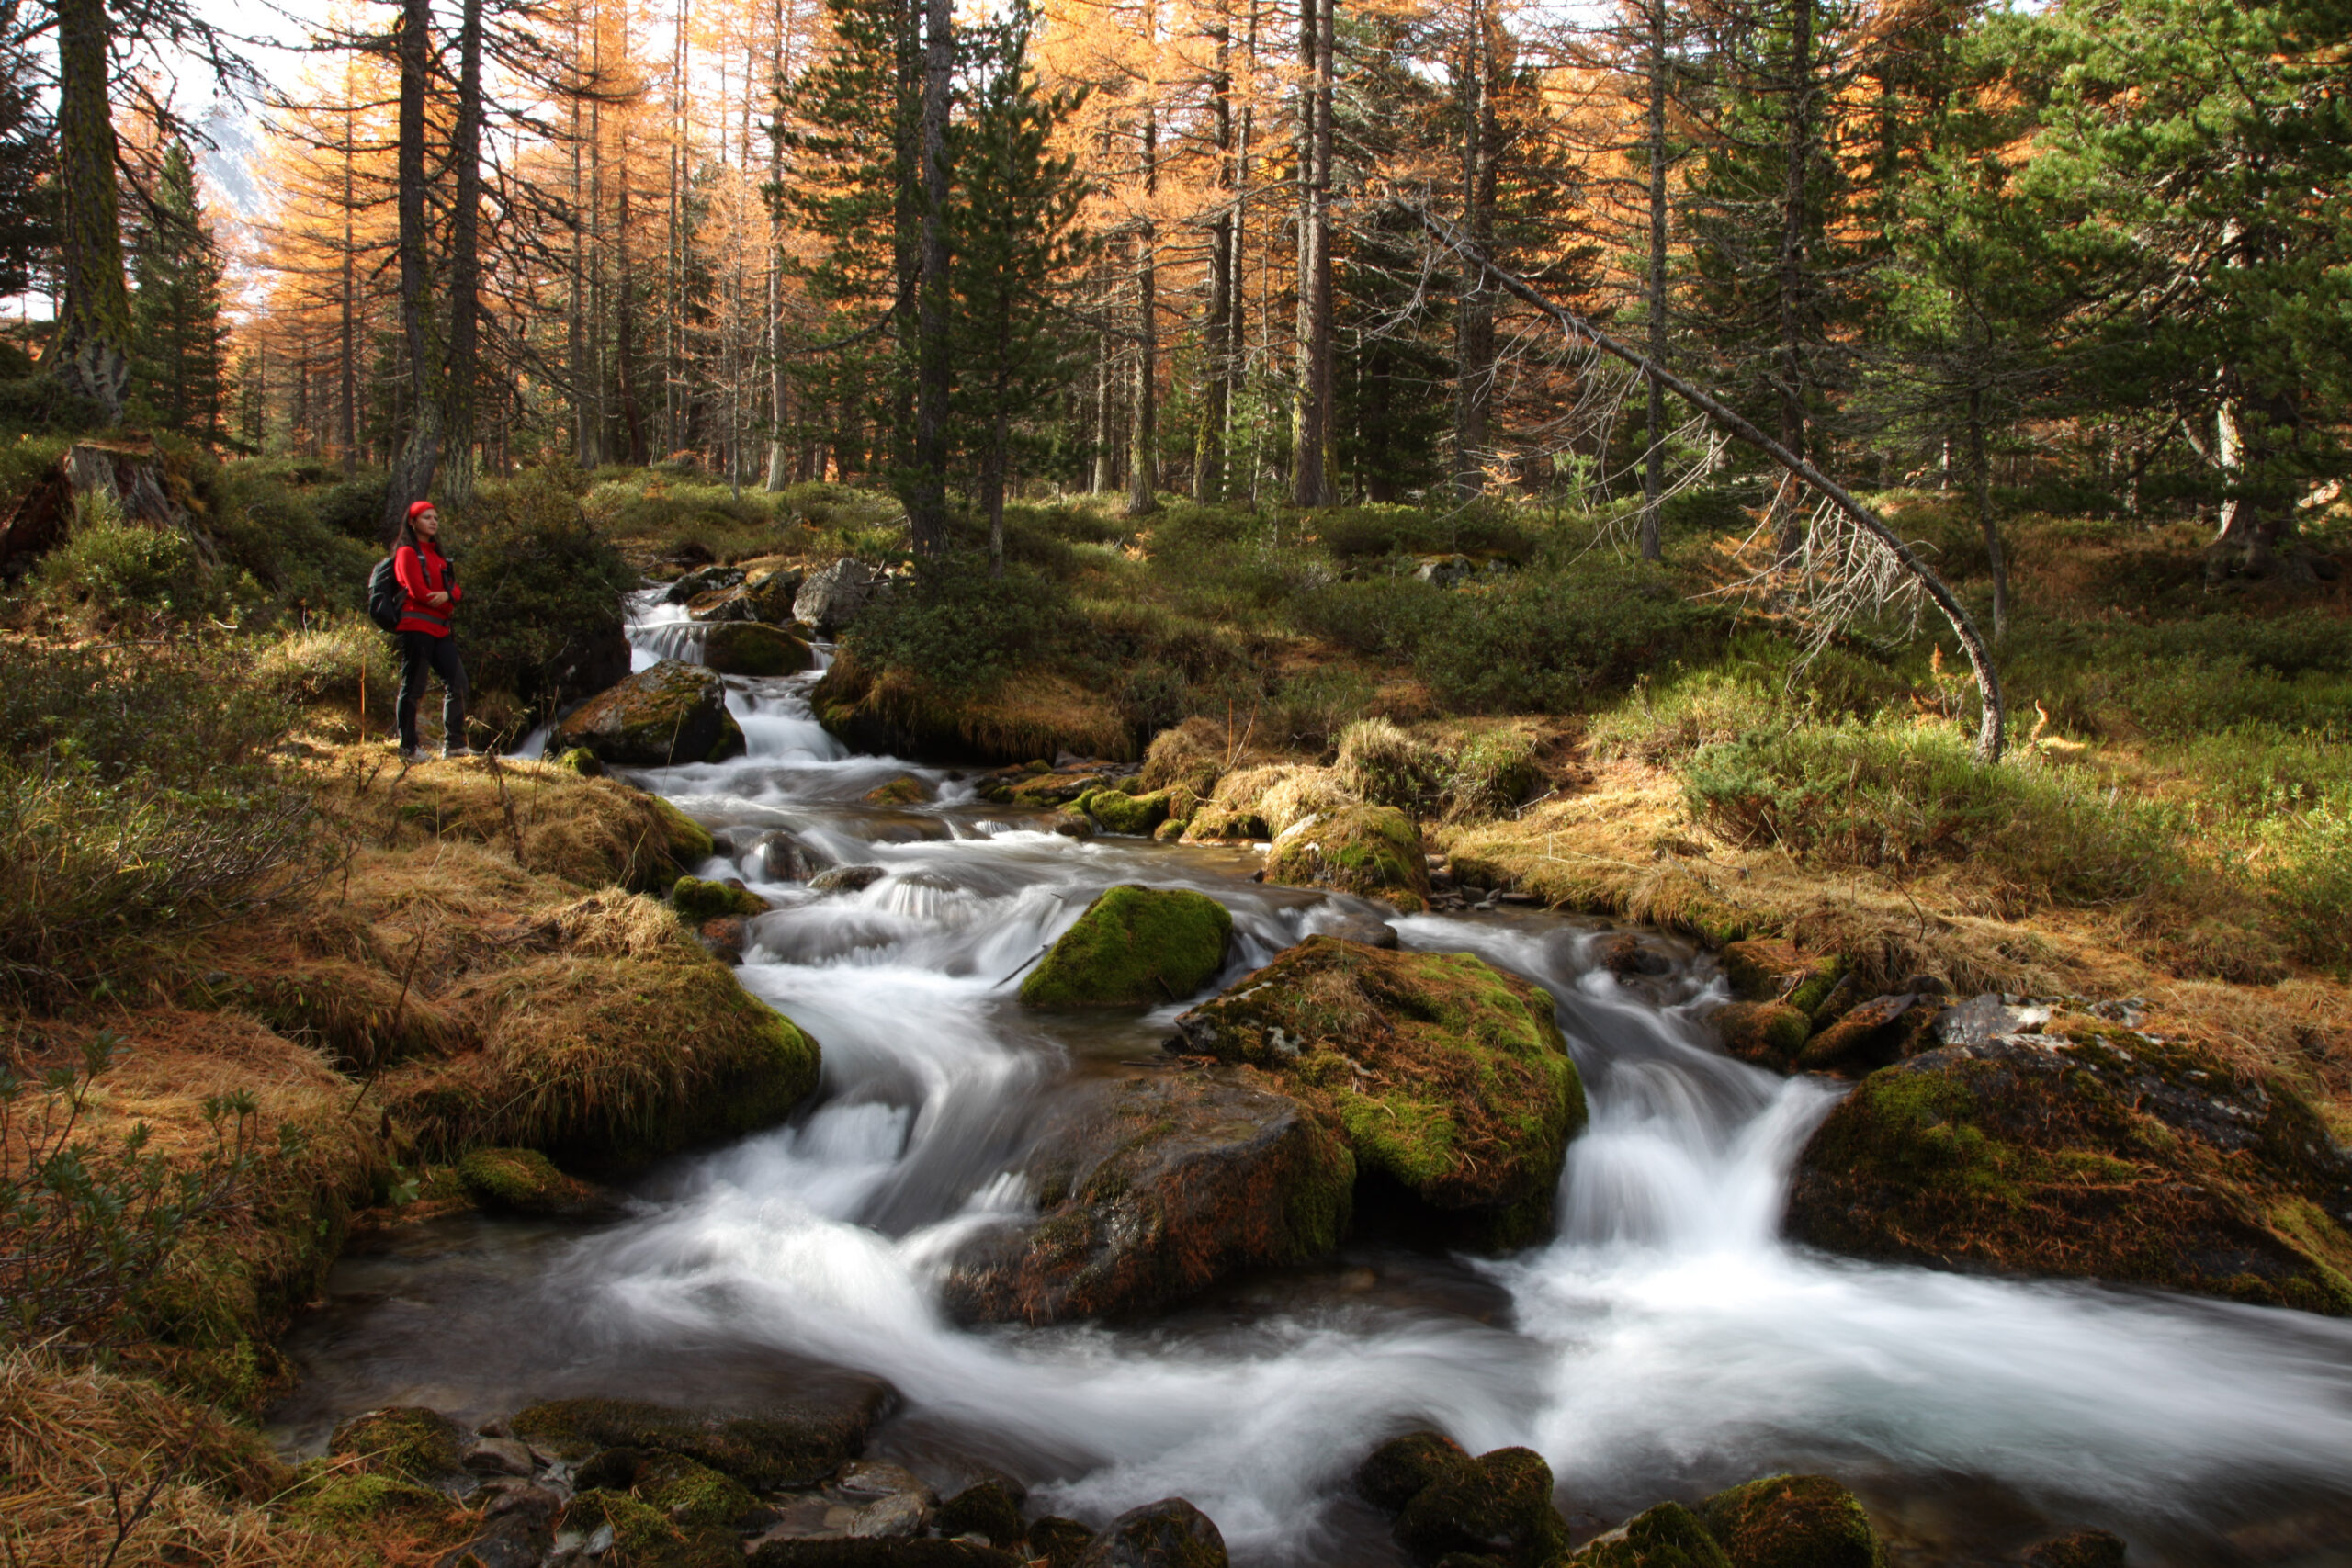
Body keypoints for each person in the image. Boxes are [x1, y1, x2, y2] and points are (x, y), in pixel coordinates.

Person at [391, 500, 471, 761]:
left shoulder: (438, 555)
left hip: (440, 630)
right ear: (413, 522)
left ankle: (455, 745)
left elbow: (457, 590)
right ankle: (408, 747)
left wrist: (446, 595)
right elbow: (416, 590)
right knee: (413, 687)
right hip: (416, 627)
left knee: (458, 682)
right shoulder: (406, 552)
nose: (433, 522)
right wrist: (442, 597)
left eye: (435, 518)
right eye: (427, 518)